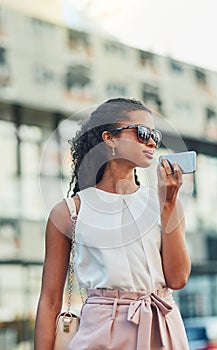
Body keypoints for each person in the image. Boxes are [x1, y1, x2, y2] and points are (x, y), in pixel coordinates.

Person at [34, 97, 191, 349]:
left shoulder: (164, 203)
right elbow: (50, 301)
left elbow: (178, 278)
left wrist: (170, 205)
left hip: (161, 329)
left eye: (155, 135)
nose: (151, 142)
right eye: (142, 133)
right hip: (101, 333)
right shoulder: (69, 212)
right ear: (110, 138)